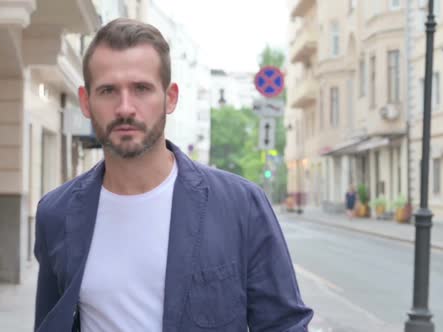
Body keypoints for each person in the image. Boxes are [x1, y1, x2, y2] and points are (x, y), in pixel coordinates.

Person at [33, 18, 313, 332]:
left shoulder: (240, 205)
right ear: (86, 102)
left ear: (171, 97)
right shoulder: (55, 214)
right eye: (108, 90)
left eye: (141, 89)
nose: (125, 108)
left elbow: (283, 325)